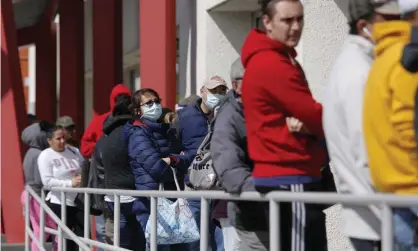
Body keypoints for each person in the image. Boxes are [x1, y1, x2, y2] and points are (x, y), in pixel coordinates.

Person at [241, 0, 328, 250]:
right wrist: (314, 126)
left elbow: (310, 116)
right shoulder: (272, 63)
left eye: (300, 19)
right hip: (289, 174)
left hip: (289, 174)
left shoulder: (280, 59)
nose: (296, 26)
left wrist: (311, 126)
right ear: (267, 22)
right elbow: (312, 113)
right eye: (287, 20)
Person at [322, 0, 400, 250]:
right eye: (388, 21)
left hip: (371, 215)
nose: (398, 27)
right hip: (378, 218)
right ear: (364, 25)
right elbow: (367, 150)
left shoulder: (356, 64)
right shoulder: (359, 72)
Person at [363, 0, 418, 249]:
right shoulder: (405, 58)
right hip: (411, 189)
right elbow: (408, 126)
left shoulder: (381, 60)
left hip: (393, 190)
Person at [211, 58, 268, 251]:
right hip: (254, 212)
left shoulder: (269, 109)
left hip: (283, 211)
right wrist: (271, 188)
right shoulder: (228, 118)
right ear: (236, 85)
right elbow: (229, 168)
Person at [123, 88, 185, 250]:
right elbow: (157, 168)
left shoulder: (164, 130)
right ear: (138, 110)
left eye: (157, 101)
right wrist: (178, 169)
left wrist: (173, 160)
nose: (155, 105)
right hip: (151, 204)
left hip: (170, 201)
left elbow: (181, 157)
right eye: (149, 103)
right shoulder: (138, 134)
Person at [175, 77, 228, 251]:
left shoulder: (227, 115)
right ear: (203, 91)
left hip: (220, 190)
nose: (218, 95)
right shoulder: (186, 117)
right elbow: (170, 144)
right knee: (194, 241)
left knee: (221, 243)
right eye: (214, 91)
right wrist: (179, 159)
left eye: (222, 91)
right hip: (194, 188)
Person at [38, 126, 84, 251]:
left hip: (79, 202)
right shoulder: (45, 155)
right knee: (64, 242)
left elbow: (84, 167)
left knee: (82, 239)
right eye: (58, 138)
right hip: (59, 203)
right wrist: (70, 183)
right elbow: (47, 182)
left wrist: (82, 177)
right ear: (49, 140)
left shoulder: (74, 151)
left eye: (64, 137)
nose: (62, 141)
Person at [20, 121, 57, 251]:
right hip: (37, 196)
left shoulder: (31, 152)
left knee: (38, 230)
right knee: (50, 228)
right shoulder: (39, 154)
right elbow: (39, 180)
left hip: (30, 194)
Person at [80, 84, 131, 159]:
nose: (122, 102)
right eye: (119, 98)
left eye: (125, 98)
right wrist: (105, 147)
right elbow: (85, 148)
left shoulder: (135, 120)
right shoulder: (99, 121)